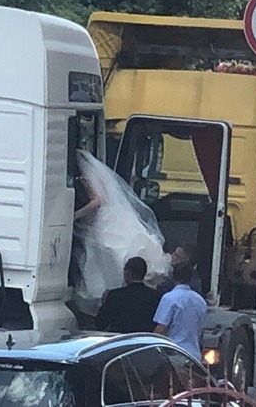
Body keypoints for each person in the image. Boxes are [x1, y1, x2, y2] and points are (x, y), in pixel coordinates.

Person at [72, 150, 171, 315]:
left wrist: (74, 215)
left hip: (103, 219)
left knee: (103, 254)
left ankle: (109, 295)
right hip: (116, 215)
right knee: (114, 252)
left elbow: (97, 201)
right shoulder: (100, 176)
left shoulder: (84, 177)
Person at [153, 262, 207, 359]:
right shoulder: (200, 300)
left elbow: (161, 328)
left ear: (174, 277)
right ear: (191, 278)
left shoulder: (169, 298)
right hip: (194, 355)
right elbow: (200, 330)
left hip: (174, 354)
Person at [95, 257, 161, 333]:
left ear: (127, 273)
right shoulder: (156, 296)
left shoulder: (115, 295)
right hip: (146, 341)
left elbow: (100, 324)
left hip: (121, 341)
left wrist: (103, 303)